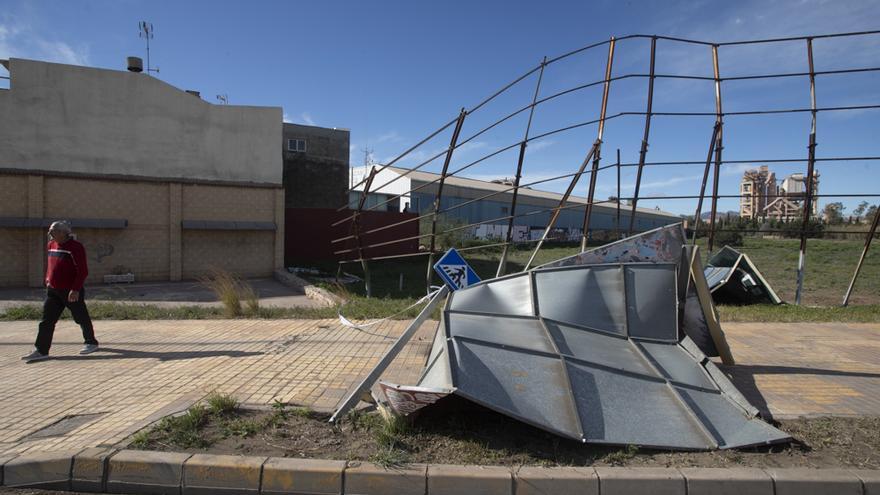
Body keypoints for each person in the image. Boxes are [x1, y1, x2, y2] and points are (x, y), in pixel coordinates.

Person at [21, 221, 100, 363]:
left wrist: (75, 289)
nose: (51, 233)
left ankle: (91, 342)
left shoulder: (75, 247)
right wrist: (47, 279)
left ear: (64, 232)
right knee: (46, 321)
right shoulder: (51, 245)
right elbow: (51, 265)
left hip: (70, 291)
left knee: (80, 317)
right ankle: (41, 350)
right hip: (53, 291)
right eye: (50, 230)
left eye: (54, 230)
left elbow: (82, 271)